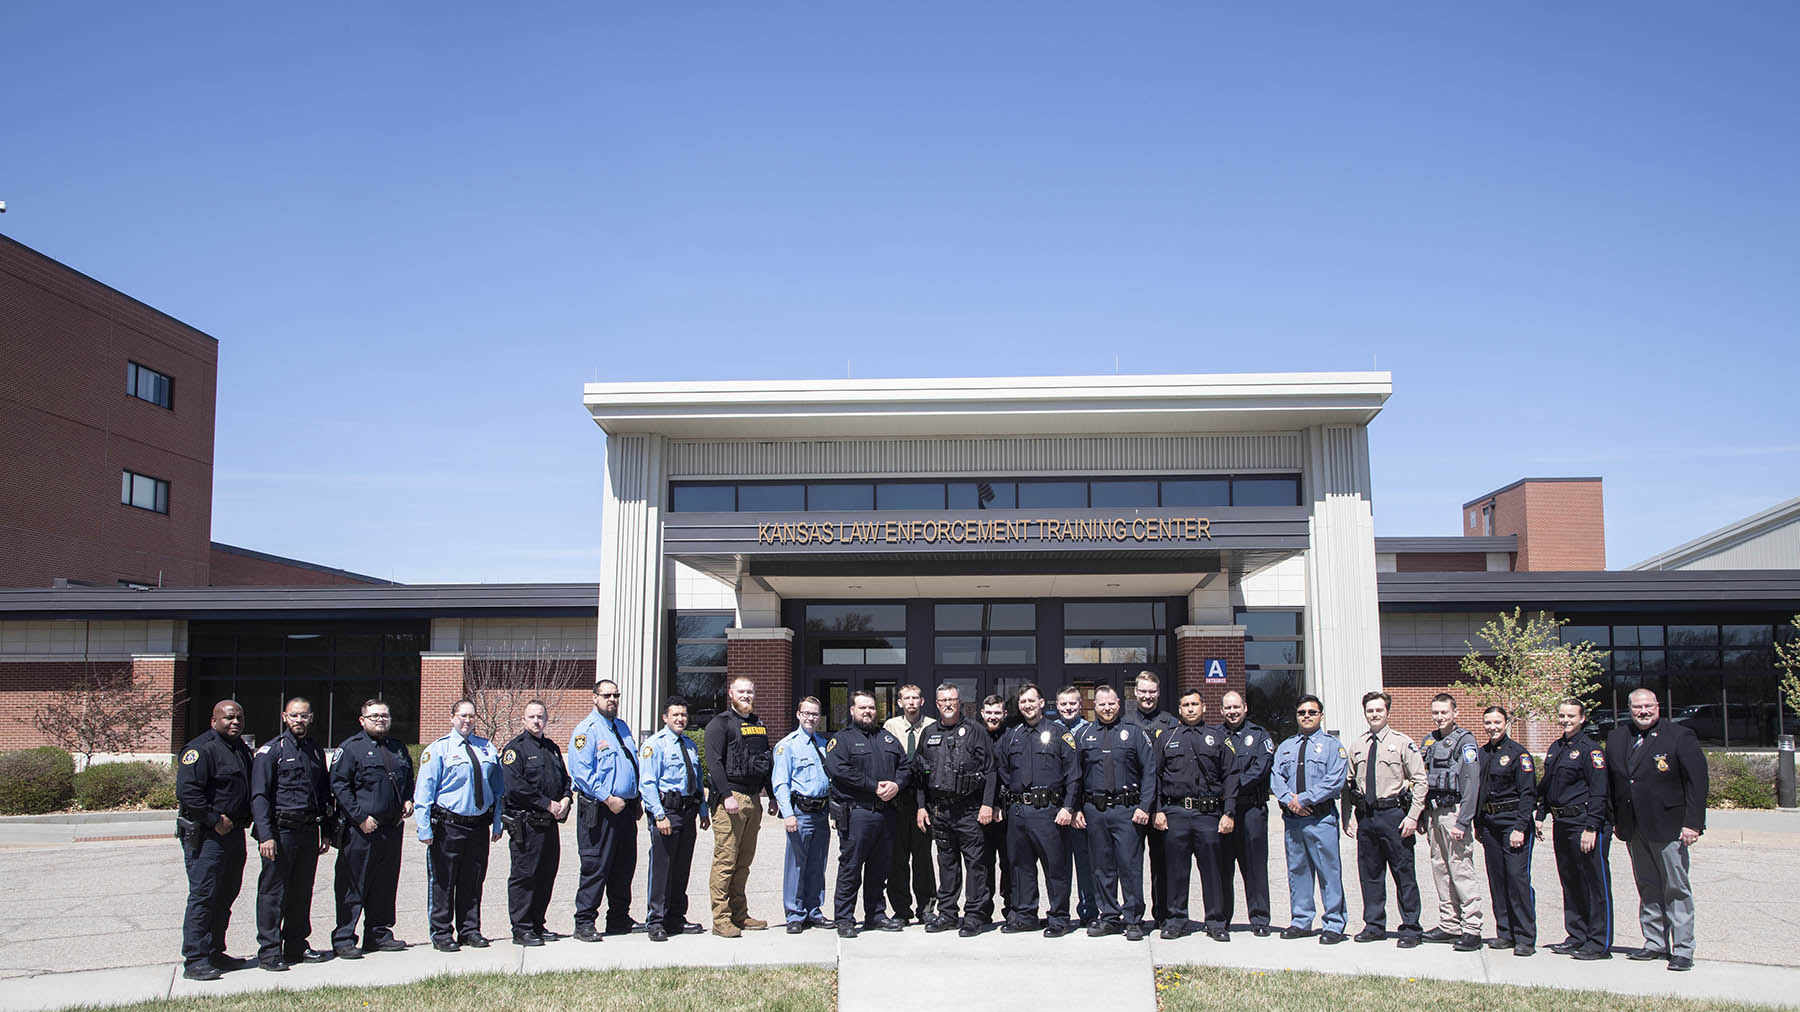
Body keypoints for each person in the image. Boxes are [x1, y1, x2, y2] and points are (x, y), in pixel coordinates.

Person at [1606, 688, 1708, 972]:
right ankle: (1654, 942)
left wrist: (1693, 823)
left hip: (1670, 826)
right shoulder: (1617, 738)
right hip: (1634, 826)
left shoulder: (1679, 736)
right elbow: (1615, 783)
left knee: (1676, 887)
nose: (1643, 711)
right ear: (1629, 708)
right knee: (1648, 886)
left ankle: (1683, 949)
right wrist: (1615, 819)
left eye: (1648, 706)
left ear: (1658, 706)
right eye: (1638, 707)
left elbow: (1697, 783)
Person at [250, 696, 333, 971]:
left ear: (311, 718)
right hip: (280, 831)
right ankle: (270, 951)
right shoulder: (270, 751)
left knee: (301, 891)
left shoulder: (313, 749)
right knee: (273, 893)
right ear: (285, 717)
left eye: (305, 715)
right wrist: (265, 835)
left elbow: (322, 794)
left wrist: (325, 831)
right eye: (295, 715)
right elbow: (259, 796)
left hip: (308, 830)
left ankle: (296, 944)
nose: (300, 720)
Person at [414, 699, 504, 951]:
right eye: (462, 715)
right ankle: (441, 932)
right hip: (447, 826)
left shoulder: (486, 748)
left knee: (473, 881)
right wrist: (424, 828)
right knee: (443, 881)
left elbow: (498, 789)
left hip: (478, 827)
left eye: (472, 716)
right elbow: (424, 792)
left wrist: (497, 821)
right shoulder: (438, 749)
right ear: (452, 717)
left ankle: (469, 930)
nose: (467, 720)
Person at [174, 699, 255, 981]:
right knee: (204, 897)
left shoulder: (240, 748)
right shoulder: (200, 749)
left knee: (225, 895)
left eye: (239, 718)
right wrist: (213, 819)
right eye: (229, 718)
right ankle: (195, 959)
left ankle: (215, 952)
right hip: (207, 836)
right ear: (214, 721)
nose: (235, 722)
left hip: (233, 835)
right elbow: (188, 792)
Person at [1340, 691, 1427, 949]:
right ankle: (1374, 925)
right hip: (1367, 816)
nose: (1374, 714)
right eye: (1370, 711)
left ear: (1388, 712)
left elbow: (1421, 780)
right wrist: (1347, 818)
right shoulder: (1358, 745)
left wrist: (1413, 816)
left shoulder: (1403, 743)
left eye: (1379, 710)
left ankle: (1411, 927)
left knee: (1404, 873)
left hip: (1395, 816)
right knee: (1370, 874)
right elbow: (1348, 784)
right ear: (1364, 713)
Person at [330, 698, 414, 959]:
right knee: (352, 885)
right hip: (361, 831)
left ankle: (378, 934)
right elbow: (339, 785)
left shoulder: (397, 748)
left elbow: (407, 779)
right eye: (375, 716)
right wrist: (359, 817)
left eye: (385, 716)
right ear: (362, 720)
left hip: (391, 829)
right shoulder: (351, 749)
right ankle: (344, 937)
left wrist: (408, 800)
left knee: (385, 884)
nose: (380, 720)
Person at [824, 689, 912, 937]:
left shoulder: (887, 738)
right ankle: (844, 918)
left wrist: (896, 785)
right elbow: (839, 770)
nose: (868, 711)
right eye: (862, 707)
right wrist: (873, 786)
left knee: (879, 868)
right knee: (851, 868)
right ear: (852, 710)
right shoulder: (841, 740)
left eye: (871, 707)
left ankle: (875, 914)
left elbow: (905, 767)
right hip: (857, 813)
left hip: (886, 814)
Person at [1534, 696, 1614, 960]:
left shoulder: (1591, 750)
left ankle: (1598, 942)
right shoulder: (1556, 748)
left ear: (1582, 718)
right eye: (1562, 716)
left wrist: (1592, 827)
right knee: (1570, 881)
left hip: (1584, 824)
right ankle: (1577, 934)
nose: (1565, 720)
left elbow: (1600, 791)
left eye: (1571, 716)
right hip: (1562, 823)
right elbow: (1548, 786)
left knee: (1594, 882)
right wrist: (1540, 814)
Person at [915, 682, 997, 938]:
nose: (948, 704)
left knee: (976, 865)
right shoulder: (928, 733)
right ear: (936, 704)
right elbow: (919, 773)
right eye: (943, 700)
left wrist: (987, 804)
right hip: (940, 811)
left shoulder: (975, 731)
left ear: (959, 702)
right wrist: (920, 807)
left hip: (970, 810)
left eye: (952, 699)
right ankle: (948, 914)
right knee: (946, 864)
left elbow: (991, 770)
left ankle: (974, 915)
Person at [996, 683, 1078, 937]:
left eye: (1032, 701)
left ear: (1042, 703)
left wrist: (1068, 807)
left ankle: (1059, 918)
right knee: (1020, 867)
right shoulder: (1013, 735)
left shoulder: (1059, 733)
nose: (1027, 706)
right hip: (1019, 811)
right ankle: (1024, 915)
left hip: (1049, 812)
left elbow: (1073, 774)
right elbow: (1002, 769)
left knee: (1055, 867)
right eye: (1023, 702)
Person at [1074, 684, 1156, 940]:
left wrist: (1145, 806)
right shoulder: (1084, 735)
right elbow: (1074, 776)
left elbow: (1149, 772)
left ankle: (1133, 919)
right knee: (1102, 867)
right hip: (1095, 811)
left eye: (1111, 704)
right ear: (1094, 706)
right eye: (1101, 704)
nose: (1107, 708)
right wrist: (1075, 808)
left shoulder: (1134, 733)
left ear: (1119, 704)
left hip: (1127, 810)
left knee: (1130, 866)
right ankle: (1108, 916)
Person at [1154, 689, 1235, 941]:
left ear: (1204, 708)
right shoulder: (1166, 738)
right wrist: (1157, 809)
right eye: (1185, 705)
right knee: (1176, 871)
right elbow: (1154, 776)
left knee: (1212, 870)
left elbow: (1231, 776)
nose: (1190, 709)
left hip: (1208, 814)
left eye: (1194, 704)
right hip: (1175, 812)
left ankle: (1215, 922)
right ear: (1179, 709)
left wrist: (1229, 812)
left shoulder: (1218, 737)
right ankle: (1176, 919)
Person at [1270, 693, 1348, 944]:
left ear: (1321, 716)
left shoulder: (1332, 746)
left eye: (1311, 712)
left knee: (1329, 872)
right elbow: (1276, 777)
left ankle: (1334, 924)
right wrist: (1288, 800)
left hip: (1320, 818)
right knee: (1298, 871)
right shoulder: (1287, 746)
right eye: (1302, 712)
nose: (1306, 716)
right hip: (1293, 820)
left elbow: (1335, 780)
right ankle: (1301, 920)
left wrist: (1303, 799)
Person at [704, 675, 779, 936]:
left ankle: (739, 914)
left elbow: (765, 762)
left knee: (744, 862)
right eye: (741, 692)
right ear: (731, 694)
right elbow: (714, 763)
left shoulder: (758, 724)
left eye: (750, 691)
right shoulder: (719, 724)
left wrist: (771, 796)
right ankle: (721, 919)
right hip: (731, 799)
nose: (746, 695)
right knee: (726, 860)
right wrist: (726, 795)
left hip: (754, 799)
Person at [568, 679, 640, 941]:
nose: (612, 700)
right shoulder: (586, 731)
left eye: (616, 695)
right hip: (600, 809)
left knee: (624, 866)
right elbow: (581, 773)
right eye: (607, 695)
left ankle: (619, 918)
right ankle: (584, 922)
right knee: (596, 866)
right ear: (594, 698)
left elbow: (631, 765)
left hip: (626, 809)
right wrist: (607, 798)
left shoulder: (621, 727)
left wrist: (636, 799)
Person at [500, 700, 572, 946]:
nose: (536, 721)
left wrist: (565, 799)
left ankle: (538, 924)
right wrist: (546, 803)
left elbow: (564, 779)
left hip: (550, 824)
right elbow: (515, 787)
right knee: (524, 876)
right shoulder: (515, 750)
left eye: (540, 716)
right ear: (523, 720)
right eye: (531, 717)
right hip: (527, 824)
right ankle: (521, 928)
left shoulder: (551, 748)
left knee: (545, 876)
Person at [638, 695, 710, 942]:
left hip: (688, 811)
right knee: (662, 869)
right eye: (675, 715)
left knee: (681, 868)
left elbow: (697, 780)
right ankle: (656, 920)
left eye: (683, 715)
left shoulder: (689, 744)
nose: (680, 719)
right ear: (664, 717)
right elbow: (647, 784)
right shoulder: (655, 745)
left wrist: (702, 811)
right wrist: (659, 815)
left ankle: (676, 917)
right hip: (667, 812)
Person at [1418, 693, 1484, 951]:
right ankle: (1449, 923)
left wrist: (1463, 821)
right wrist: (1423, 814)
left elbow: (1471, 782)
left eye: (1444, 712)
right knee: (1440, 869)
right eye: (1435, 712)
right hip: (1434, 814)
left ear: (1455, 712)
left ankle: (1472, 928)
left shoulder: (1465, 741)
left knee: (1461, 869)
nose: (1439, 717)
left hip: (1453, 814)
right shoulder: (1430, 740)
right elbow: (1423, 780)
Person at [1476, 705, 1538, 955]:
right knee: (1498, 879)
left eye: (1497, 723)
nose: (1492, 727)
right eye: (1488, 723)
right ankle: (1505, 932)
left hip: (1512, 823)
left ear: (1506, 723)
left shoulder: (1518, 754)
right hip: (1490, 823)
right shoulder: (1482, 753)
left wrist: (1520, 827)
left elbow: (1528, 794)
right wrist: (1478, 823)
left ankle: (1525, 937)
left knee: (1517, 878)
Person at [1216, 689, 1274, 936]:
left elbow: (1260, 770)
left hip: (1251, 809)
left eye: (1236, 707)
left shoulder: (1260, 736)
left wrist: (1229, 787)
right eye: (1227, 708)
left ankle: (1259, 920)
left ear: (1245, 707)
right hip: (1223, 811)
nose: (1232, 712)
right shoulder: (1215, 736)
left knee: (1254, 867)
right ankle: (1222, 920)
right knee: (1222, 867)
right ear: (1221, 711)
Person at [1123, 671, 1177, 927]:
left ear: (1158, 692)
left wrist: (1159, 807)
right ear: (1135, 692)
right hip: (1132, 805)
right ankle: (1132, 915)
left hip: (1161, 806)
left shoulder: (1171, 724)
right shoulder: (1126, 723)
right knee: (1130, 863)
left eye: (1152, 691)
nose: (1147, 696)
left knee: (1162, 863)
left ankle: (1163, 915)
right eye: (1143, 691)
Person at [773, 696, 831, 933]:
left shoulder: (822, 744)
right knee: (796, 865)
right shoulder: (787, 745)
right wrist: (788, 814)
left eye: (815, 714)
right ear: (798, 715)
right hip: (800, 813)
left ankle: (813, 910)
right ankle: (794, 914)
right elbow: (780, 783)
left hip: (821, 813)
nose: (810, 718)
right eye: (806, 713)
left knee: (818, 865)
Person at [883, 684, 937, 924]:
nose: (912, 702)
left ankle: (926, 908)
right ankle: (901, 910)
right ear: (900, 702)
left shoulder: (933, 726)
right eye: (907, 698)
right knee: (898, 858)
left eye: (916, 698)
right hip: (898, 800)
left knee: (923, 857)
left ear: (922, 701)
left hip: (924, 800)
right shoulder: (890, 727)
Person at [1054, 685, 1099, 927]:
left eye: (1072, 704)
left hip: (1080, 812)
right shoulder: (1052, 731)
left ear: (1081, 705)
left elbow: (1088, 775)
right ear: (1057, 705)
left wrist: (1077, 808)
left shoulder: (1089, 731)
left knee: (1085, 865)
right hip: (1057, 811)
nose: (1068, 708)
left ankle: (1089, 912)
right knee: (1059, 867)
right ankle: (1060, 914)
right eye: (1063, 704)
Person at [978, 694, 1014, 928]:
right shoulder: (975, 737)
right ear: (982, 714)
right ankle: (983, 911)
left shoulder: (1012, 737)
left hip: (1007, 811)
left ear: (1004, 714)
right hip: (982, 811)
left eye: (997, 713)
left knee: (1010, 863)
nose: (993, 717)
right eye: (989, 713)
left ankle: (1011, 908)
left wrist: (1000, 804)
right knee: (983, 863)